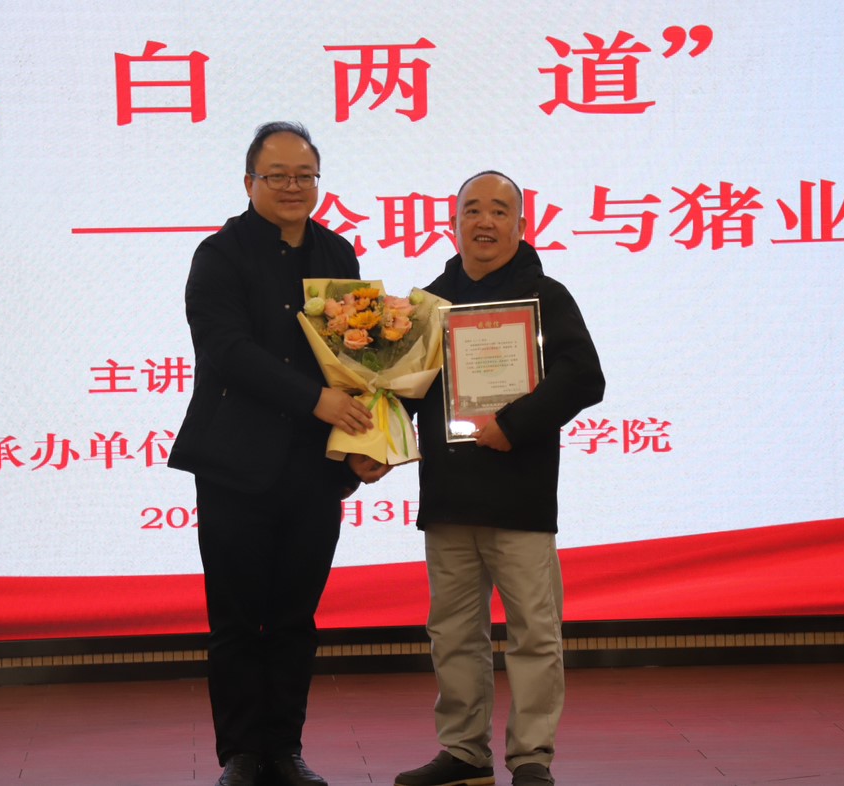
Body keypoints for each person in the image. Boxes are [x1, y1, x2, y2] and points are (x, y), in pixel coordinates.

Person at [167, 121, 387, 786]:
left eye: (304, 176)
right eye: (278, 176)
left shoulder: (337, 253)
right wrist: (314, 400)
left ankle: (285, 749)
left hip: (313, 469)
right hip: (235, 465)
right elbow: (227, 351)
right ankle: (240, 753)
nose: (293, 187)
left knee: (294, 618)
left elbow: (358, 356)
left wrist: (368, 440)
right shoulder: (219, 254)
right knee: (237, 620)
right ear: (249, 182)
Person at [395, 171, 605, 786]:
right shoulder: (429, 303)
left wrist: (513, 423)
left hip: (520, 494)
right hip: (449, 496)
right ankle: (463, 751)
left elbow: (583, 377)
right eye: (472, 210)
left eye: (498, 211)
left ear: (520, 224)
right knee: (453, 634)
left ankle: (531, 756)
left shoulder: (546, 296)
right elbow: (403, 390)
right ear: (453, 222)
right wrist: (373, 442)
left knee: (534, 633)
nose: (484, 222)